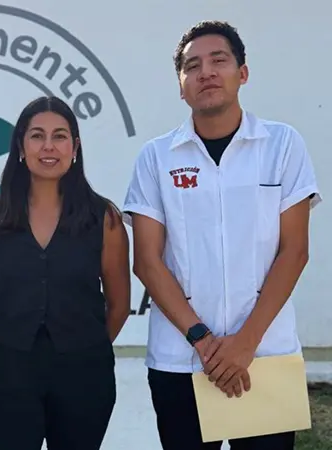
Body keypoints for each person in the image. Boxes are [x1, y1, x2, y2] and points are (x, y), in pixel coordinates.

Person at [123, 20, 322, 450]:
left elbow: (294, 251)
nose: (206, 73)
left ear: (242, 73)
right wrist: (203, 340)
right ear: (181, 87)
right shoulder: (156, 158)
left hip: (266, 357)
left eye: (219, 60)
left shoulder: (282, 145)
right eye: (192, 66)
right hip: (181, 361)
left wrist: (245, 344)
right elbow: (148, 262)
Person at [0, 96, 131, 450]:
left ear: (75, 147)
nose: (48, 146)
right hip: (8, 373)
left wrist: (84, 348)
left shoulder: (104, 218)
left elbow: (119, 305)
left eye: (59, 136)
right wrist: (7, 347)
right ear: (20, 146)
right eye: (37, 136)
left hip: (84, 374)